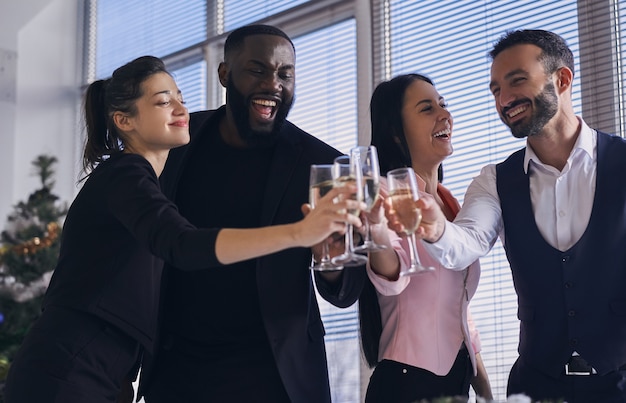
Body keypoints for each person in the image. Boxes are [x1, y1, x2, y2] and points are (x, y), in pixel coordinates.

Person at [3, 55, 362, 403]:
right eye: (163, 102)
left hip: (102, 369)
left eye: (181, 98)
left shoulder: (141, 180)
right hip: (69, 367)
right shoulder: (126, 174)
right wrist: (300, 232)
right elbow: (182, 244)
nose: (180, 109)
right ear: (124, 121)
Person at [141, 24, 367, 403]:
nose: (273, 83)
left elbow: (346, 291)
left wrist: (330, 260)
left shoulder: (323, 163)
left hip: (275, 373)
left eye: (285, 74)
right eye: (258, 70)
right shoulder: (178, 141)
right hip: (177, 368)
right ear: (225, 74)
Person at [417, 29, 626, 402]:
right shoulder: (495, 180)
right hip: (535, 385)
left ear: (561, 80)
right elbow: (465, 243)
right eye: (496, 89)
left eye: (516, 81)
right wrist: (434, 227)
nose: (504, 99)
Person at [356, 73, 493, 402]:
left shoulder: (451, 205)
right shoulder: (384, 195)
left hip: (458, 381)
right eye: (426, 108)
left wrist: (487, 394)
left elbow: (459, 311)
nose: (444, 114)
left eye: (443, 105)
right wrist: (376, 229)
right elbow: (392, 277)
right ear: (395, 132)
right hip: (407, 383)